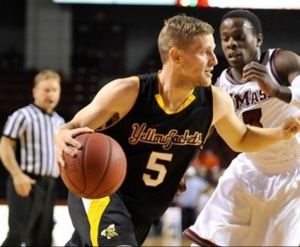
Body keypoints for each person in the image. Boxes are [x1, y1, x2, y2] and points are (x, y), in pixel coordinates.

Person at [55, 14, 300, 247]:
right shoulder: (128, 92)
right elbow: (73, 127)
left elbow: (243, 138)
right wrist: (61, 134)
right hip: (105, 192)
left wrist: (282, 133)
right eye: (205, 52)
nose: (215, 60)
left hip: (145, 208)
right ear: (177, 56)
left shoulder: (216, 101)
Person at [184, 9, 300, 246]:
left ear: (258, 39)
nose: (231, 44)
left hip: (292, 172)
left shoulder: (282, 61)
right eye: (225, 39)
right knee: (205, 241)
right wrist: (182, 167)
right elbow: (203, 132)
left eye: (239, 37)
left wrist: (275, 90)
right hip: (249, 169)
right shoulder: (220, 84)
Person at [0, 69, 65, 246]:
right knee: (17, 235)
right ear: (35, 91)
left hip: (50, 185)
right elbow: (5, 145)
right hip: (27, 182)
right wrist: (17, 175)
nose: (50, 94)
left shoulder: (60, 121)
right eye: (46, 90)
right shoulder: (22, 115)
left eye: (54, 90)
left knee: (43, 238)